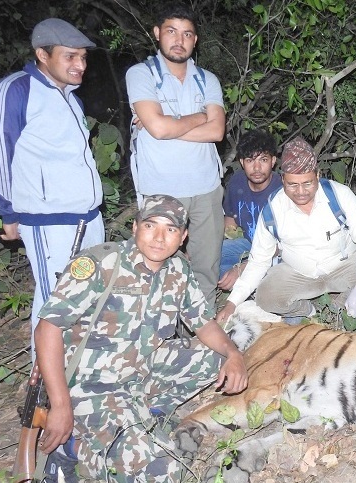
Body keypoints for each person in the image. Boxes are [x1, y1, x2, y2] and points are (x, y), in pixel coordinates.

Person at [34, 195, 247, 482]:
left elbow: (203, 323)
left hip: (143, 369)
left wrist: (233, 354)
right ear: (135, 227)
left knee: (219, 358)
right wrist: (60, 405)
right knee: (163, 470)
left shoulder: (178, 268)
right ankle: (72, 449)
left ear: (183, 236)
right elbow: (47, 328)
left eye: (170, 229)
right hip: (92, 385)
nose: (159, 238)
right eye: (150, 225)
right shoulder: (100, 264)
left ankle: (146, 415)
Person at [0, 18, 105, 356]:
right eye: (70, 56)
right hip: (49, 222)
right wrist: (7, 211)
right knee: (55, 303)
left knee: (90, 295)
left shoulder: (71, 98)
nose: (80, 65)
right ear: (42, 54)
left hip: (89, 218)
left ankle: (81, 368)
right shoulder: (15, 91)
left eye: (83, 57)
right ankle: (44, 380)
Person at [126, 2, 225, 304]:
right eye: (171, 31)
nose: (179, 40)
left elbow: (216, 131)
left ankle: (202, 323)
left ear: (195, 40)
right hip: (161, 190)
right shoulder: (141, 74)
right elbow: (158, 128)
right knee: (156, 264)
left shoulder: (207, 79)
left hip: (207, 188)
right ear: (157, 33)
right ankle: (157, 325)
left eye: (187, 34)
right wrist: (199, 117)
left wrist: (168, 125)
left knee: (206, 264)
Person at [217, 136, 356, 324]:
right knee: (266, 297)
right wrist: (231, 303)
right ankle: (309, 311)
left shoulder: (340, 194)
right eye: (292, 184)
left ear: (318, 176)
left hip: (343, 266)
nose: (301, 192)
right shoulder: (273, 210)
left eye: (307, 183)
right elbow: (258, 261)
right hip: (300, 274)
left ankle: (340, 308)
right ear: (283, 179)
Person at [218, 129, 282, 291]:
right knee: (207, 260)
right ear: (241, 162)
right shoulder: (237, 181)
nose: (257, 167)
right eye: (250, 160)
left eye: (263, 160)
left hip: (276, 253)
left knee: (240, 276)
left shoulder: (282, 190)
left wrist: (242, 268)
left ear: (273, 161)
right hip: (248, 244)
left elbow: (285, 245)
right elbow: (230, 220)